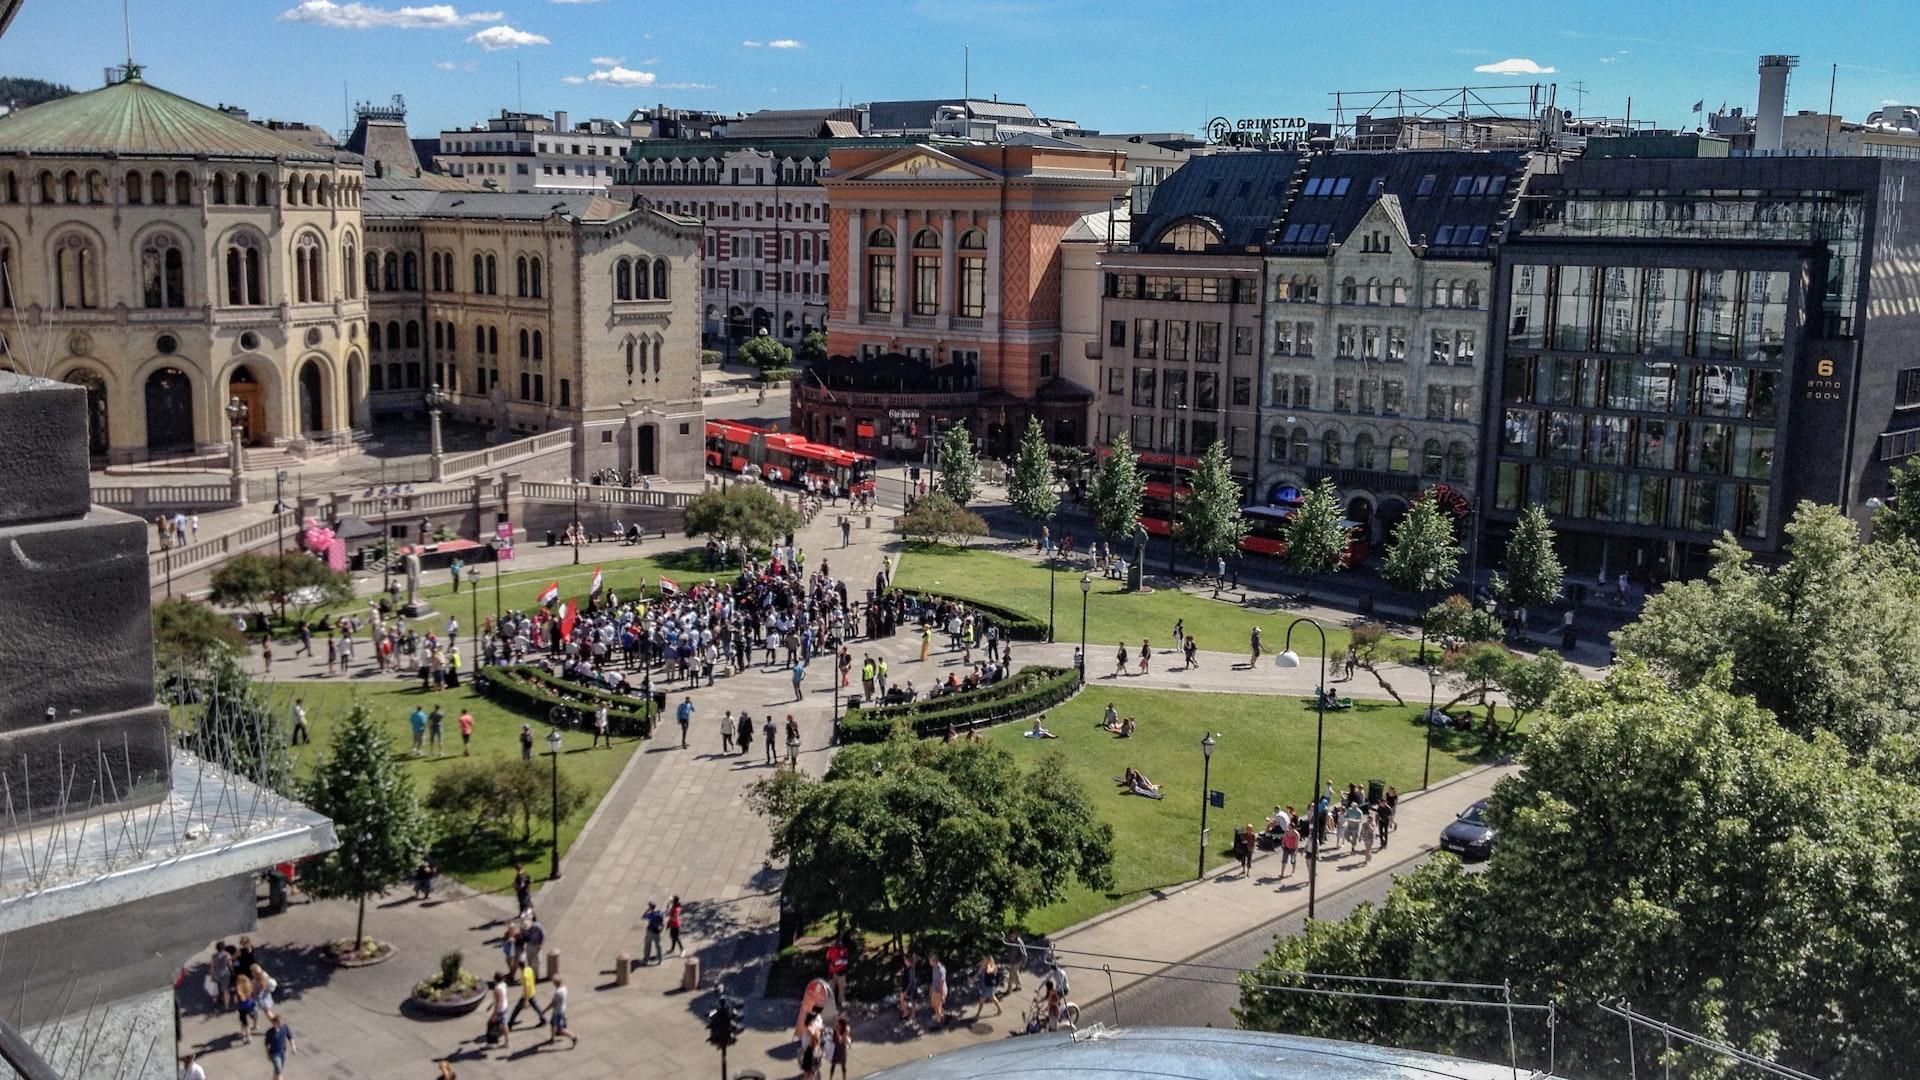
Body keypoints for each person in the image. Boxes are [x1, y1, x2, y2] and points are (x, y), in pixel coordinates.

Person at [508, 957, 545, 1028]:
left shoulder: (524, 975)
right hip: (532, 992)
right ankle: (543, 1019)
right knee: (535, 1007)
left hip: (526, 995)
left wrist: (525, 1000)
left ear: (519, 966)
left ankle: (510, 1023)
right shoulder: (529, 969)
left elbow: (526, 988)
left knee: (517, 1009)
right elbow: (533, 979)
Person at [546, 977, 578, 1047]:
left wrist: (545, 1010)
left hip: (557, 1012)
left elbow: (553, 1004)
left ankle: (573, 1037)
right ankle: (552, 1039)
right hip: (562, 1009)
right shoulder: (564, 988)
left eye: (553, 982)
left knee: (560, 1029)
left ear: (555, 983)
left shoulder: (557, 993)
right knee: (552, 1023)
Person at [263, 1012, 295, 1080]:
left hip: (282, 1052)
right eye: (279, 1023)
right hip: (274, 1054)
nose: (281, 1024)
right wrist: (267, 1054)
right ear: (274, 1023)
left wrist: (293, 1047)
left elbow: (290, 1037)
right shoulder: (269, 1032)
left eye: (281, 1022)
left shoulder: (285, 1027)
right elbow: (267, 1044)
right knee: (279, 1070)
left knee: (278, 1070)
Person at [829, 1012, 851, 1080]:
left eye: (838, 1023)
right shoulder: (836, 1027)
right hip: (835, 1047)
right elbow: (832, 1038)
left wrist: (838, 1032)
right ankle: (830, 1078)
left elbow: (841, 1040)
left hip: (842, 1048)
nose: (837, 1024)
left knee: (843, 1065)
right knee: (833, 1064)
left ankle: (844, 1078)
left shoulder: (846, 1029)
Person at [928, 953, 947, 1025]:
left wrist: (942, 995)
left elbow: (942, 984)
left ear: (934, 961)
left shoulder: (940, 970)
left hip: (939, 991)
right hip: (935, 990)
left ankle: (938, 1023)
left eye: (930, 961)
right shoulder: (934, 968)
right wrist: (931, 989)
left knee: (937, 1007)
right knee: (934, 1005)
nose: (929, 962)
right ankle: (943, 1016)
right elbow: (934, 980)